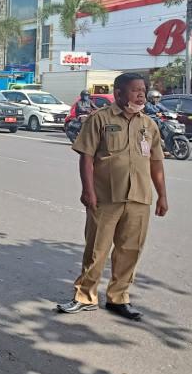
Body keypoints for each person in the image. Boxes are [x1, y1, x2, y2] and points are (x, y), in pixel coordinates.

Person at [56, 73, 168, 321]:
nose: (141, 94)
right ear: (118, 93)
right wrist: (88, 190)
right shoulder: (100, 119)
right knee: (97, 250)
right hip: (105, 197)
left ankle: (119, 298)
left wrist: (162, 196)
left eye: (143, 90)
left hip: (139, 198)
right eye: (135, 90)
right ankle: (85, 297)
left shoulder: (149, 125)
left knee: (130, 250)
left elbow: (156, 162)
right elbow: (86, 156)